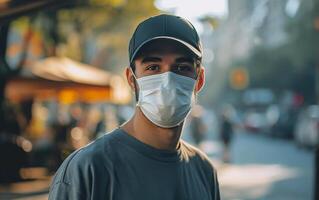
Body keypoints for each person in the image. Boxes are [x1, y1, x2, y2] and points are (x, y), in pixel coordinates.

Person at [48, 14, 220, 200]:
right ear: (132, 80)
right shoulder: (87, 170)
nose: (167, 80)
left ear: (199, 80)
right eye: (153, 67)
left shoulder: (204, 171)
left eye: (181, 67)